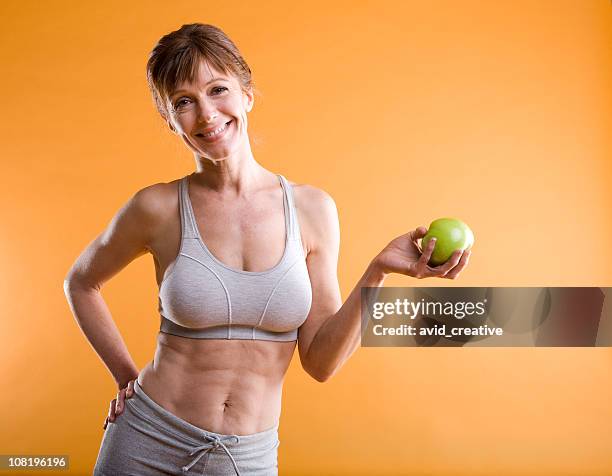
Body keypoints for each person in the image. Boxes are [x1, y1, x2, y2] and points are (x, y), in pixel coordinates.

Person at [63, 23, 471, 476]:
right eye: (183, 102)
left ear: (247, 95)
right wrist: (127, 378)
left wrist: (377, 272)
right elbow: (81, 282)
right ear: (169, 119)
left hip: (245, 457)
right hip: (146, 440)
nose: (206, 114)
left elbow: (320, 362)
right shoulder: (156, 207)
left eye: (218, 90)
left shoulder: (312, 209)